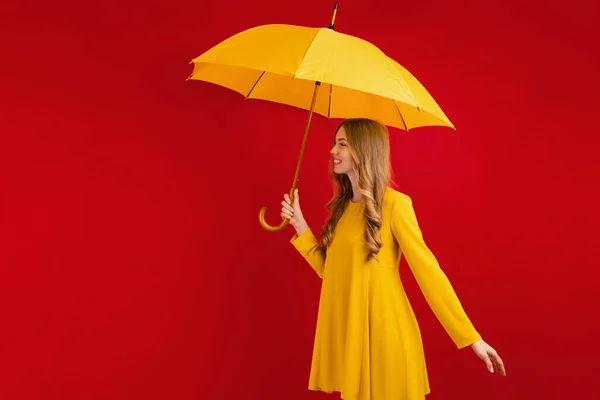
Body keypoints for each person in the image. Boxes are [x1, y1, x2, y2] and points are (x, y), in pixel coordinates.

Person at [280, 118, 505, 400]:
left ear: (364, 150)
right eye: (334, 143)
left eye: (342, 144)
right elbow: (332, 272)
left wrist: (471, 338)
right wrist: (300, 225)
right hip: (355, 336)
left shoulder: (396, 205)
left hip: (387, 337)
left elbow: (429, 273)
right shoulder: (341, 209)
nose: (333, 151)